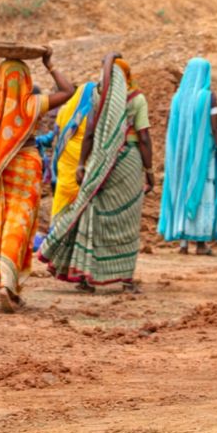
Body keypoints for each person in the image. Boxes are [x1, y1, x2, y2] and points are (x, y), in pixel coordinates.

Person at [0, 46, 77, 312]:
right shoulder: (33, 104)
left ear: (1, 79)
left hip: (0, 169)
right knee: (19, 225)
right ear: (27, 81)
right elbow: (69, 91)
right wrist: (49, 63)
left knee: (3, 223)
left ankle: (7, 285)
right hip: (27, 166)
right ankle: (8, 285)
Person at [40, 54, 153, 292]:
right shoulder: (136, 99)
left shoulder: (97, 96)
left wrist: (82, 164)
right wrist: (149, 170)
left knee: (92, 212)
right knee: (126, 221)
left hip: (99, 162)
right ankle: (125, 278)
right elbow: (143, 138)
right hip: (129, 163)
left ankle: (85, 276)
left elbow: (89, 133)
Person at [158, 57, 217, 255]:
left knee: (182, 191)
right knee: (201, 191)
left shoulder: (178, 98)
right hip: (202, 156)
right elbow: (215, 127)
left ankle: (183, 243)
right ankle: (201, 244)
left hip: (179, 158)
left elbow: (170, 128)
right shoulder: (208, 97)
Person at [49, 79, 96, 220]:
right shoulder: (92, 115)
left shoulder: (64, 111)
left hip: (63, 172)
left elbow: (55, 136)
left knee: (60, 211)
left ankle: (55, 235)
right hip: (82, 171)